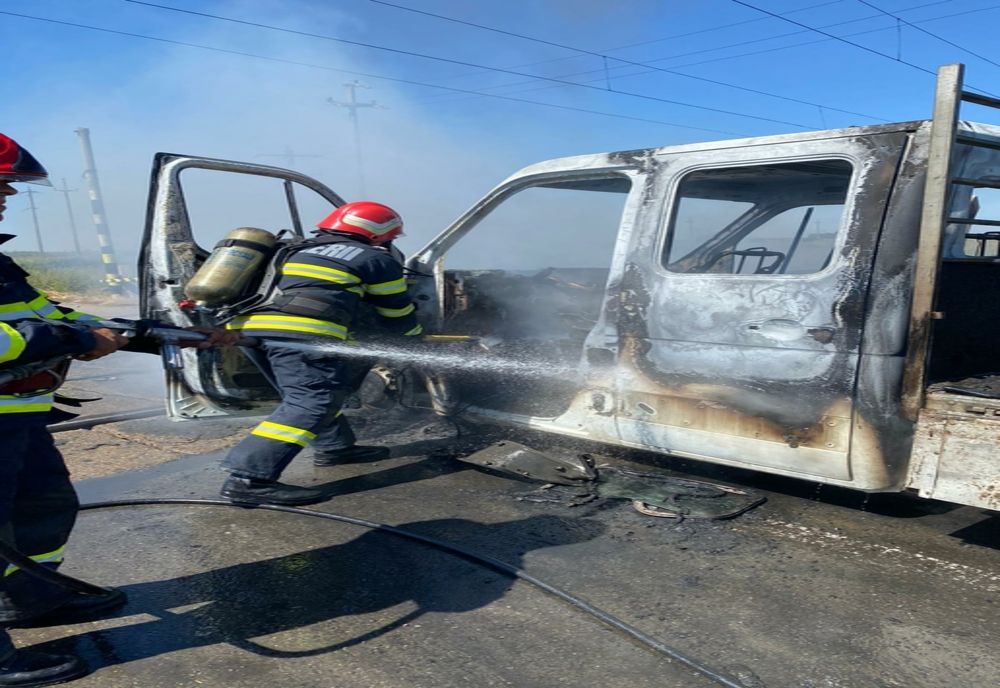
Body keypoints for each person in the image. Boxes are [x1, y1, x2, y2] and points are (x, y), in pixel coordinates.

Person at [0, 133, 236, 686]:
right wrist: (66, 339)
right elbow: (41, 332)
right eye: (0, 184)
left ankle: (26, 599)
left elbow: (50, 314)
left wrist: (160, 335)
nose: (8, 195)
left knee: (46, 504)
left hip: (16, 416)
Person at [220, 200, 423, 506]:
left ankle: (335, 447)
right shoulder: (374, 258)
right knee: (314, 400)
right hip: (300, 335)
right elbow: (396, 310)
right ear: (381, 234)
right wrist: (414, 339)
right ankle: (247, 478)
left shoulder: (293, 249)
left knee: (311, 394)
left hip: (250, 331)